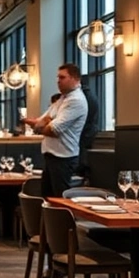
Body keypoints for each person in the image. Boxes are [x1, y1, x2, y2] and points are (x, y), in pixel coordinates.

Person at [22, 64, 88, 197]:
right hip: (52, 156)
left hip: (63, 157)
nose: (58, 81)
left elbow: (54, 129)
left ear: (75, 78)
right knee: (47, 199)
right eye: (58, 77)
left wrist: (40, 126)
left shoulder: (76, 100)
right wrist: (44, 122)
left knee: (59, 200)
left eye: (62, 77)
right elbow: (43, 119)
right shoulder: (62, 99)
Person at [77, 77, 100, 179]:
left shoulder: (83, 97)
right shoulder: (92, 95)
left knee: (82, 155)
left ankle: (82, 177)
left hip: (85, 130)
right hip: (92, 129)